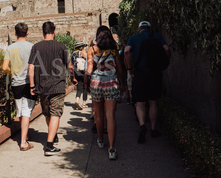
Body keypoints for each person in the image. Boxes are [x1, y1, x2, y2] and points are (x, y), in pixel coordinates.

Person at [28, 21, 77, 156]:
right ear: (54, 32)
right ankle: (49, 146)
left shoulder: (36, 47)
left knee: (48, 113)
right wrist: (72, 78)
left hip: (42, 86)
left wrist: (32, 85)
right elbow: (70, 66)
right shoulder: (62, 46)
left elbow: (31, 67)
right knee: (55, 112)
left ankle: (52, 135)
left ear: (42, 32)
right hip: (57, 85)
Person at [124, 21, 171, 143]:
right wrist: (165, 62)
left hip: (139, 73)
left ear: (139, 28)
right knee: (153, 101)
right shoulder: (157, 36)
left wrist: (129, 67)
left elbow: (127, 51)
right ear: (149, 28)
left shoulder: (134, 38)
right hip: (154, 73)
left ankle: (142, 125)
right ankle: (154, 129)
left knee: (140, 102)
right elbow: (166, 48)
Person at [86, 26, 126, 160]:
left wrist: (86, 83)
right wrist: (123, 83)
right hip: (111, 82)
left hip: (96, 82)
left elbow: (89, 69)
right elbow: (120, 69)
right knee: (110, 116)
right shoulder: (114, 50)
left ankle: (101, 140)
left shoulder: (92, 49)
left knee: (99, 114)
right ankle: (112, 148)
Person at [1, 22, 37, 151]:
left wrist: (13, 73)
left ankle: (25, 135)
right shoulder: (33, 47)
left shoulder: (10, 48)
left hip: (16, 82)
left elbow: (4, 67)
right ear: (27, 33)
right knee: (26, 111)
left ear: (15, 33)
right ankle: (23, 142)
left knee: (21, 111)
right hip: (28, 82)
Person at [72, 41, 88, 109]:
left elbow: (71, 65)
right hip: (84, 72)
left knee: (79, 88)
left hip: (76, 73)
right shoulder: (84, 53)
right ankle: (84, 104)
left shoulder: (73, 54)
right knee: (85, 88)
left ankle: (77, 100)